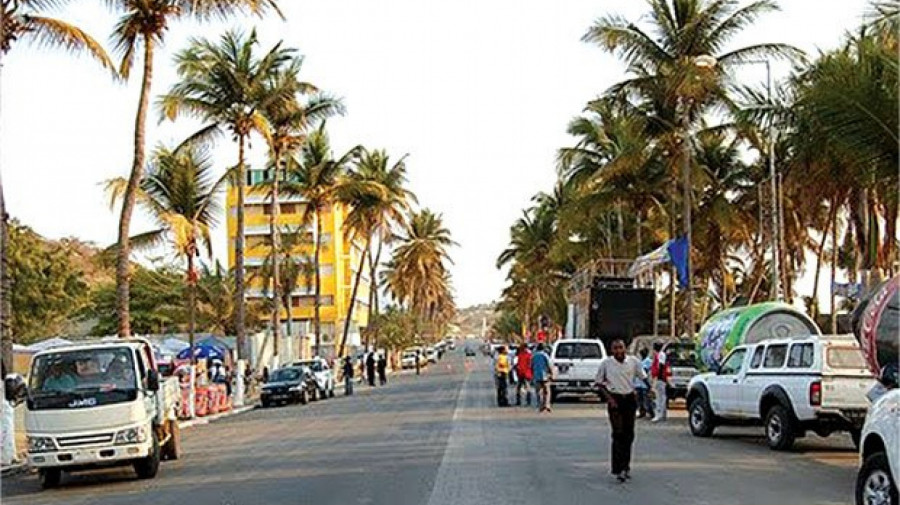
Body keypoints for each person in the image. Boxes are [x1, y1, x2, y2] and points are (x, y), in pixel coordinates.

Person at [595, 339, 647, 483]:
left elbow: (643, 377)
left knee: (629, 434)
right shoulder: (606, 364)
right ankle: (618, 468)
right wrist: (609, 399)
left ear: (625, 349)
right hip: (615, 400)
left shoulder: (633, 362)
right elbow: (599, 383)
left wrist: (650, 390)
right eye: (615, 348)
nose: (618, 351)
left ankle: (626, 465)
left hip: (629, 399)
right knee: (618, 433)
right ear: (612, 350)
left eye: (620, 348)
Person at [650, 342, 670, 422]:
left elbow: (661, 366)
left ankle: (659, 414)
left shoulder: (660, 355)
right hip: (660, 378)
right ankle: (662, 414)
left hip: (659, 378)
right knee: (661, 396)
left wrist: (658, 377)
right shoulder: (660, 355)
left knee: (658, 397)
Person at [531, 343, 553, 412]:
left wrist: (533, 374)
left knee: (538, 392)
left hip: (536, 376)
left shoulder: (534, 356)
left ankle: (540, 406)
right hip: (545, 375)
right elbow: (549, 365)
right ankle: (547, 405)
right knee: (547, 391)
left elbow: (531, 366)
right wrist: (551, 373)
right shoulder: (545, 355)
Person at [635, 348, 651, 419]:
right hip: (638, 383)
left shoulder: (648, 361)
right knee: (639, 400)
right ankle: (642, 412)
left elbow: (645, 372)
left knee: (646, 400)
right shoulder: (640, 361)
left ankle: (650, 412)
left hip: (644, 384)